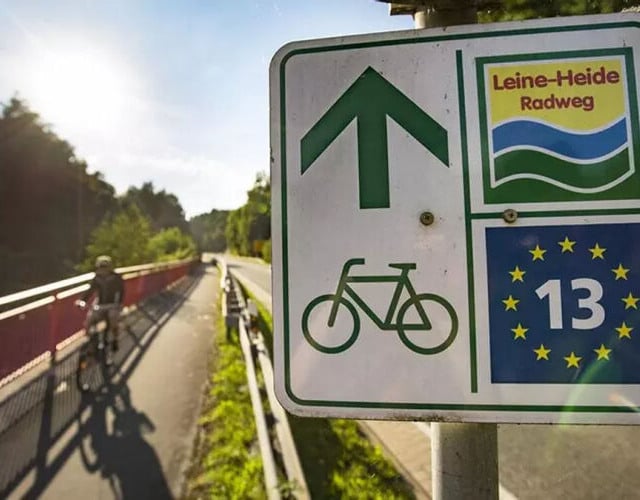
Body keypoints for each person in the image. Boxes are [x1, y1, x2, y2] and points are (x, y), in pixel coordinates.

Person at [76, 255, 125, 352]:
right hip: (100, 304)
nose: (103, 270)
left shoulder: (116, 278)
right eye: (101, 267)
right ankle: (89, 340)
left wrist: (118, 304)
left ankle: (115, 339)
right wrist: (82, 300)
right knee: (89, 319)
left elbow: (121, 292)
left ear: (110, 267)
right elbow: (90, 291)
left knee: (113, 318)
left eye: (105, 267)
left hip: (113, 304)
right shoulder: (97, 278)